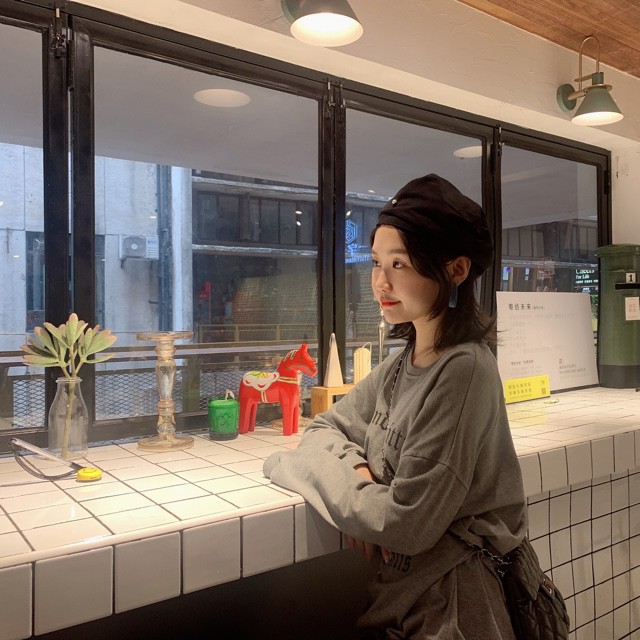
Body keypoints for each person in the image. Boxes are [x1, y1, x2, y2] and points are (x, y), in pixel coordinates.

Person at [263, 174, 527, 639]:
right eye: (376, 262)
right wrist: (359, 472)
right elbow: (325, 427)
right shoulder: (402, 364)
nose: (380, 282)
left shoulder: (464, 369)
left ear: (456, 270)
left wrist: (294, 466)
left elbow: (406, 523)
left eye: (399, 263)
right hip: (402, 601)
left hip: (453, 610)